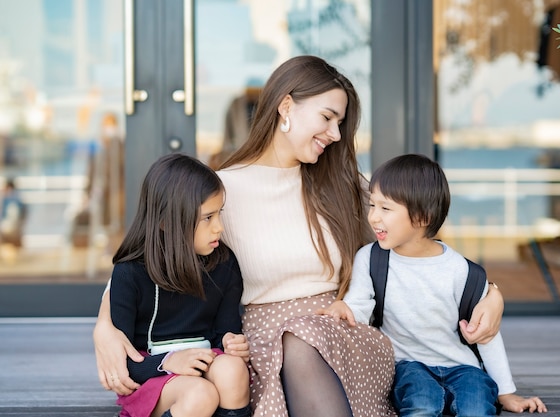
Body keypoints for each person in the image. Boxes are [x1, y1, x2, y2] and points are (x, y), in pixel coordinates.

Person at [93, 56, 505, 417]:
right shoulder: (222, 191)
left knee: (302, 337)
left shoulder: (345, 186)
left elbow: (419, 239)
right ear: (286, 106)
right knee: (293, 341)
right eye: (327, 118)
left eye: (341, 123)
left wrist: (491, 293)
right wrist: (104, 326)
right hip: (256, 343)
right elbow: (152, 258)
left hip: (342, 337)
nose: (336, 135)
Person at [318, 153, 547, 416]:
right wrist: (342, 308)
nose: (374, 218)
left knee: (476, 407)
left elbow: (487, 335)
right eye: (373, 205)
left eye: (386, 208)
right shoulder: (371, 259)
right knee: (422, 404)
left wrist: (506, 393)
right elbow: (359, 306)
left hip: (464, 367)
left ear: (422, 217)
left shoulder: (463, 272)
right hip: (408, 365)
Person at [108, 153, 251, 417]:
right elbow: (125, 364)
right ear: (165, 222)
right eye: (208, 218)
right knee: (200, 394)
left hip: (205, 361)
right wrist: (168, 362)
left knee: (233, 370)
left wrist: (232, 342)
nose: (219, 227)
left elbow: (224, 332)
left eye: (219, 214)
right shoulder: (130, 274)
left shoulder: (224, 264)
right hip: (150, 376)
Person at [1, 178, 27, 247]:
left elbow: (9, 220)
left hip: (9, 229)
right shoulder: (19, 198)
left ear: (8, 188)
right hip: (19, 230)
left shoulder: (7, 199)